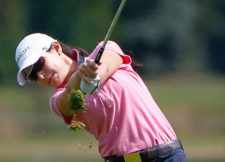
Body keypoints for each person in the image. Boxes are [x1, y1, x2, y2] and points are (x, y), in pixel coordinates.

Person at [15, 33, 187, 162]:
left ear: (57, 48)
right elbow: (67, 103)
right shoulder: (56, 100)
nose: (41, 76)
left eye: (39, 64)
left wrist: (91, 75)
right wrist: (78, 80)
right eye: (33, 76)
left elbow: (105, 67)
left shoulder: (104, 50)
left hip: (167, 156)